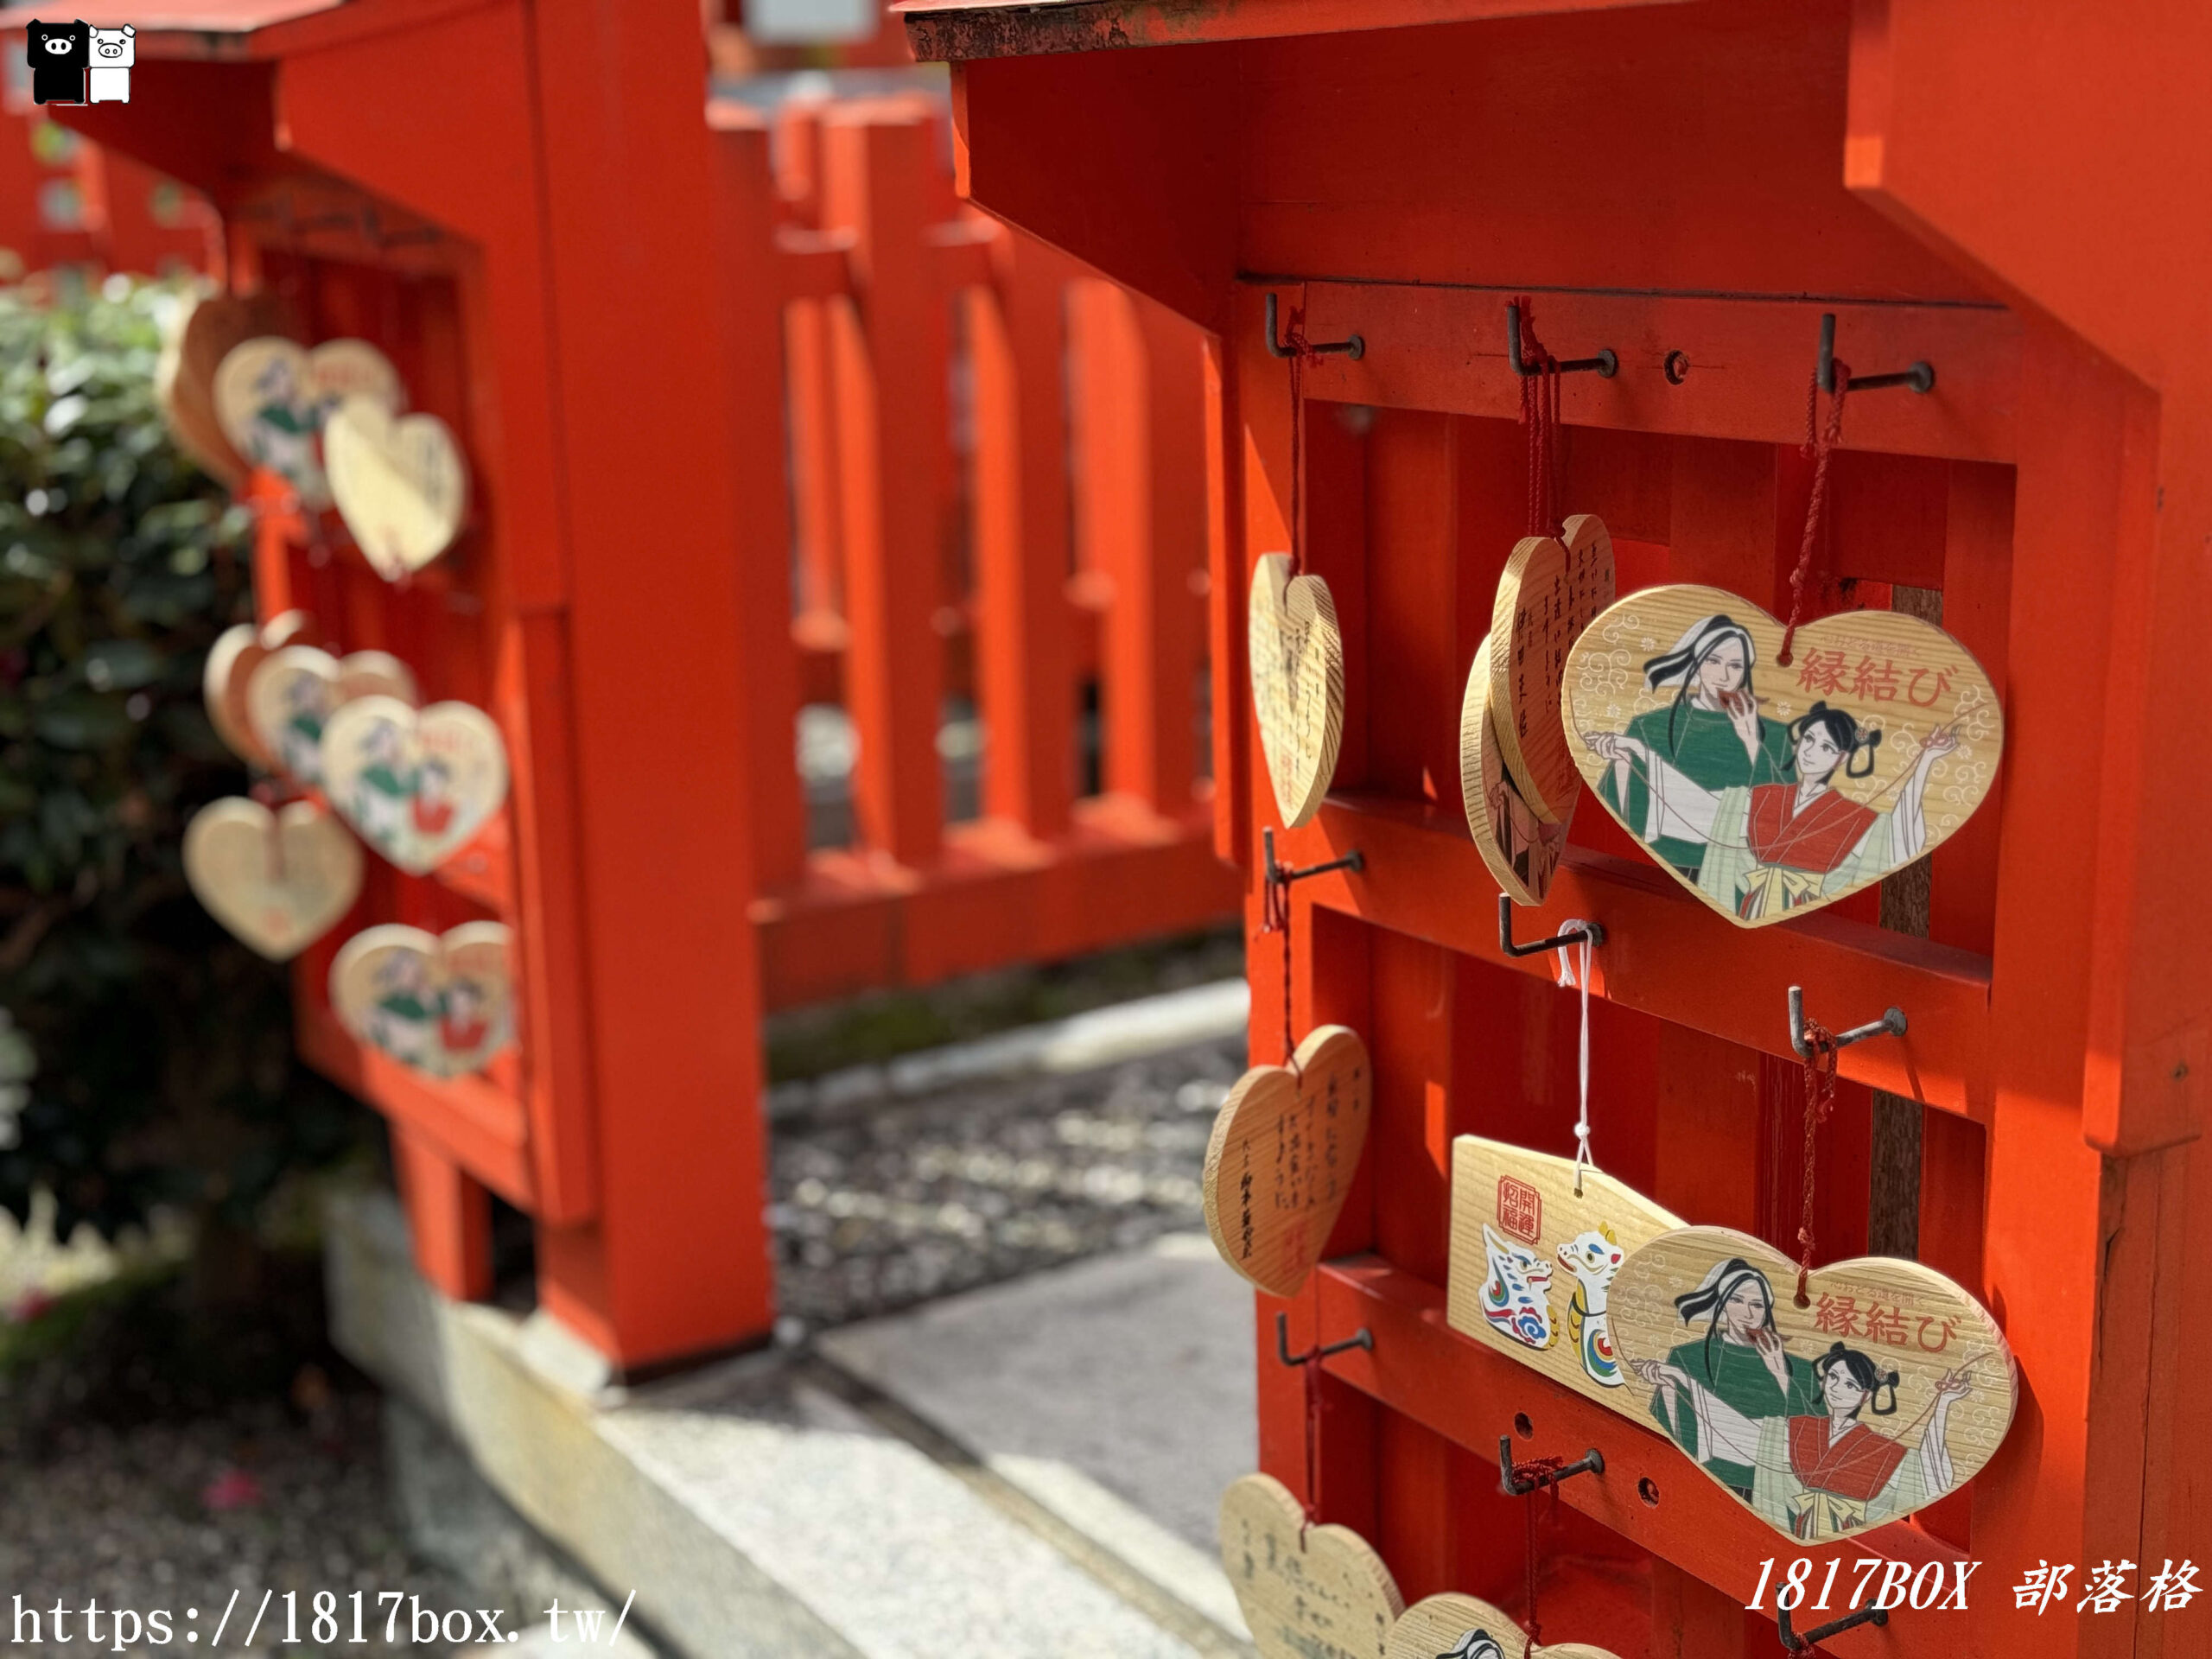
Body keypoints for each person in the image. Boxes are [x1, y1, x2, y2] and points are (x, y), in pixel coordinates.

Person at [1594, 702, 1956, 921]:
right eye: (1809, 740)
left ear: (1842, 758)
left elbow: (1896, 839)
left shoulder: (1851, 816)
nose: (1812, 752)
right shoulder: (1765, 798)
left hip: (1813, 916)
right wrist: (1635, 752)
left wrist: (1925, 762)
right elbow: (1701, 808)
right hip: (1748, 908)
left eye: (1827, 747)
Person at [1637, 1339, 1974, 1541]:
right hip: (1788, 1540)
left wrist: (1942, 1405)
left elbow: (1928, 1476)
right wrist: (1681, 1379)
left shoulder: (1883, 1450)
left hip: (1857, 1550)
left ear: (1865, 1397)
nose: (1836, 1388)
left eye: (1849, 1385)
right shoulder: (1800, 1429)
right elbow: (1737, 1432)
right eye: (1834, 1377)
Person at [1586, 614, 1793, 879]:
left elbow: (1786, 816)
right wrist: (1623, 763)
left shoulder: (1774, 734)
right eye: (1713, 661)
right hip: (1660, 868)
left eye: (1736, 665)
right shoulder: (1650, 726)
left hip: (1744, 872)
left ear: (1747, 671)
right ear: (1696, 663)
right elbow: (1622, 816)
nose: (1724, 675)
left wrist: (1753, 742)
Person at [1630, 1257, 1820, 1498]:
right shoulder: (1688, 1356)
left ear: (1767, 1310)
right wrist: (1670, 1388)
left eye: (1757, 1305)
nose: (1747, 1313)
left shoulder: (1798, 1368)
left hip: (1775, 1491)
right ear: (1723, 1303)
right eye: (1737, 1300)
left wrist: (1781, 1374)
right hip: (1701, 1483)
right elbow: (1664, 1434)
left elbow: (1814, 1440)